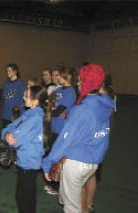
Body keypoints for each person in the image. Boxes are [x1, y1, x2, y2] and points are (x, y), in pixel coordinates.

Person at [42, 64, 115, 213]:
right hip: (93, 162)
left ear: (88, 84)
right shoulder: (105, 107)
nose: (78, 83)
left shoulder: (81, 110)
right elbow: (104, 138)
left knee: (71, 208)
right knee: (71, 197)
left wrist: (48, 162)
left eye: (81, 81)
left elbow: (65, 140)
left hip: (76, 163)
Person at [2, 85, 51, 213]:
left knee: (23, 197)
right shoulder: (29, 113)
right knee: (28, 196)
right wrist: (7, 134)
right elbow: (10, 127)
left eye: (26, 96)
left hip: (29, 163)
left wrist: (9, 137)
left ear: (35, 101)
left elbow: (16, 139)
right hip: (27, 161)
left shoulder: (34, 118)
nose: (23, 98)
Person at [81, 72, 115, 213]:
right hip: (100, 139)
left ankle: (83, 208)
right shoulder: (110, 93)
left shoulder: (99, 95)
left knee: (82, 179)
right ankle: (89, 204)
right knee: (92, 174)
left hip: (92, 140)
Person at [46, 67, 77, 195]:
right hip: (53, 127)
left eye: (61, 76)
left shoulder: (70, 92)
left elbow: (59, 110)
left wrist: (50, 112)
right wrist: (50, 110)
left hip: (62, 129)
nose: (57, 77)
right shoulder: (57, 89)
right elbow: (50, 106)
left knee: (59, 158)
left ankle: (59, 187)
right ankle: (53, 181)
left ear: (68, 77)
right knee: (51, 155)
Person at [2, 63, 26, 128]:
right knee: (5, 134)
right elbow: (4, 98)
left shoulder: (21, 85)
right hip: (6, 114)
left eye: (9, 71)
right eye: (7, 71)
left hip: (15, 115)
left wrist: (19, 114)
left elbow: (24, 101)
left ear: (15, 72)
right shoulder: (5, 84)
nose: (7, 73)